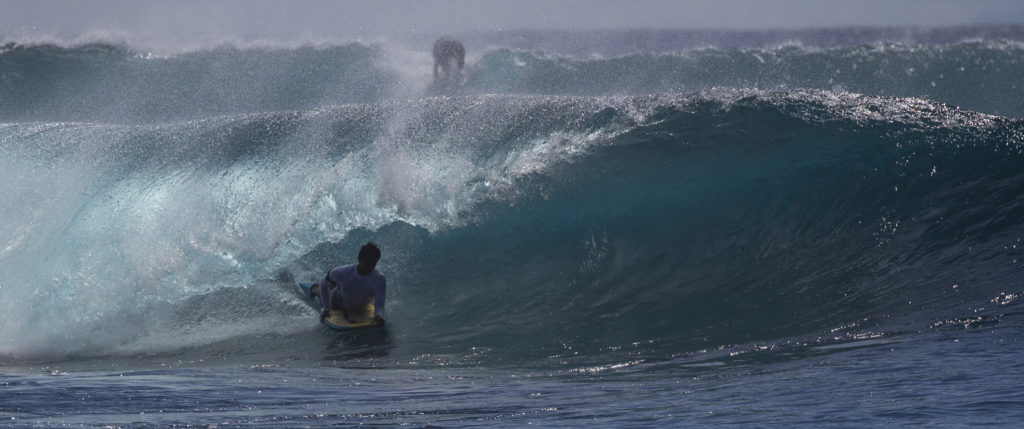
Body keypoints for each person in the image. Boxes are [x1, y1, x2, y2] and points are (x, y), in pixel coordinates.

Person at [310, 242, 387, 326]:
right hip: (337, 301)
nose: (370, 266)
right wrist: (326, 308)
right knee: (324, 293)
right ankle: (315, 288)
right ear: (359, 258)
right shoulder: (343, 272)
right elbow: (323, 282)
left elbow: (380, 305)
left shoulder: (379, 279)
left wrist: (379, 315)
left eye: (374, 263)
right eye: (368, 262)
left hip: (360, 307)